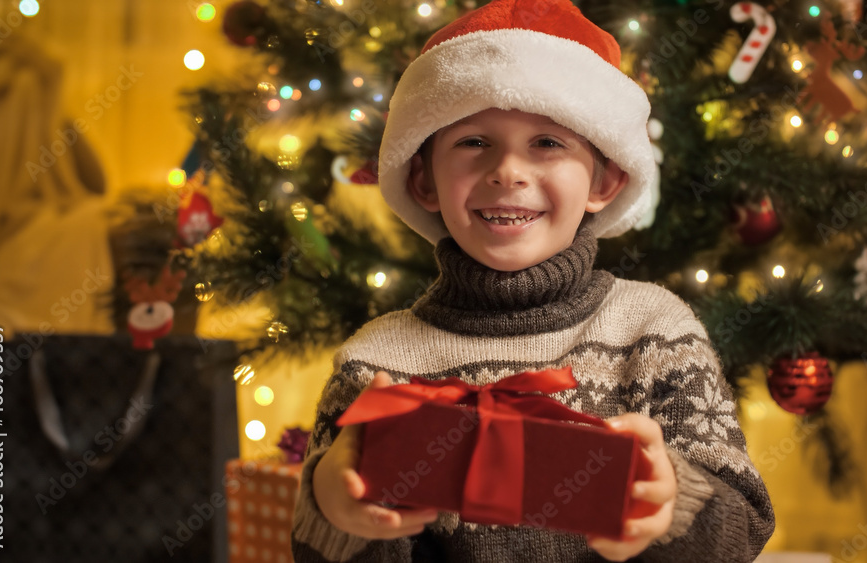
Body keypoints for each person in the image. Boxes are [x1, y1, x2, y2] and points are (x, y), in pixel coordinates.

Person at [292, 0, 775, 561]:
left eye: (548, 143)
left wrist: (673, 504)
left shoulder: (657, 332)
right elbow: (319, 548)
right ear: (423, 180)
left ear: (606, 180)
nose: (508, 171)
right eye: (473, 142)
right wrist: (334, 507)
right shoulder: (375, 363)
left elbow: (742, 531)